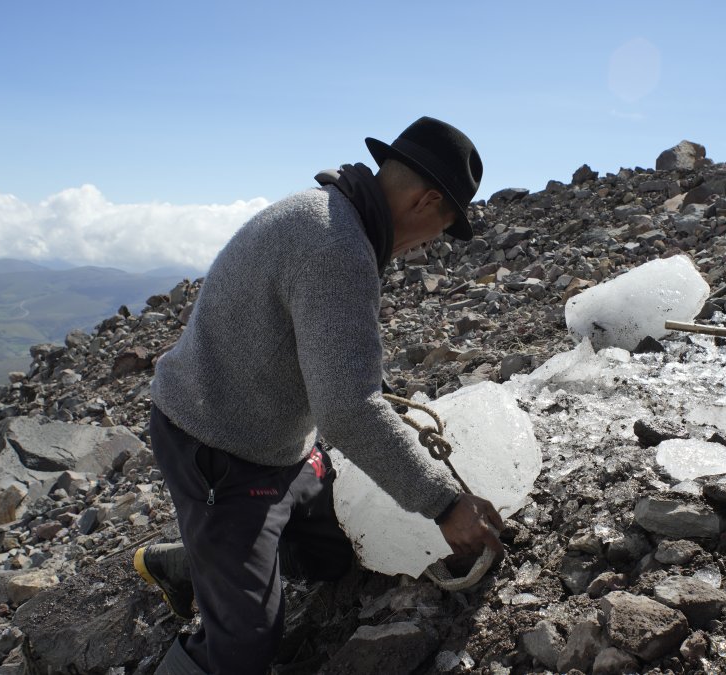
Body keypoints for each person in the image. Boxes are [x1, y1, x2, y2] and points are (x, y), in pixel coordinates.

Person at [133, 117, 505, 674]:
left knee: (329, 558)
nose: (425, 246)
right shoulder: (336, 247)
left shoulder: (331, 216)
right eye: (439, 229)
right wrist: (446, 505)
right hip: (219, 451)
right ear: (427, 201)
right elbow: (348, 411)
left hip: (280, 447)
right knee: (246, 648)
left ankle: (203, 562)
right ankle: (218, 567)